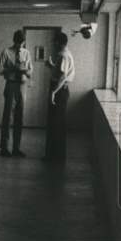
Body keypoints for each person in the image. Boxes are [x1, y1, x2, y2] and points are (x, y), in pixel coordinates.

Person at [0, 29, 33, 157]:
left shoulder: (27, 53)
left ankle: (17, 148)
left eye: (21, 44)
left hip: (22, 85)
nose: (19, 47)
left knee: (19, 118)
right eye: (18, 44)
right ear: (14, 41)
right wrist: (12, 68)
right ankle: (4, 147)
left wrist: (24, 71)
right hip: (11, 84)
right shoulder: (6, 52)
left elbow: (30, 72)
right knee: (7, 117)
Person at [44, 30, 75, 163]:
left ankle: (55, 157)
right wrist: (51, 66)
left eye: (54, 42)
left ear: (58, 42)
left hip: (60, 90)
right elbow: (61, 72)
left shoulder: (63, 55)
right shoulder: (65, 54)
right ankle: (56, 156)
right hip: (61, 89)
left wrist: (53, 92)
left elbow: (62, 77)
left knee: (56, 124)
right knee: (57, 123)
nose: (54, 44)